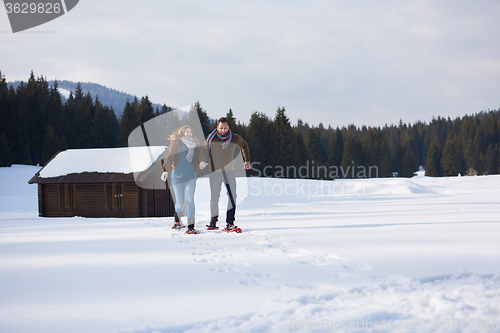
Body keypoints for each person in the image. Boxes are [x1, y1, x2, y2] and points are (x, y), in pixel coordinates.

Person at [200, 117, 251, 231]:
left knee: (232, 196)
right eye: (221, 128)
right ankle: (213, 220)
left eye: (225, 128)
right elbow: (204, 149)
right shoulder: (211, 138)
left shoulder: (234, 138)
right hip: (214, 172)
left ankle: (230, 222)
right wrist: (202, 161)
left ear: (228, 127)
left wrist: (246, 160)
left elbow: (244, 145)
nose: (223, 130)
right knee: (214, 197)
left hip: (229, 171)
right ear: (217, 127)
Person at [163, 125, 201, 234]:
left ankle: (191, 226)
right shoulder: (177, 144)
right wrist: (165, 170)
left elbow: (197, 160)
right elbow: (169, 157)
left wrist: (201, 164)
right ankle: (177, 220)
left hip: (191, 176)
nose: (189, 133)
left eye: (190, 131)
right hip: (177, 176)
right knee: (180, 203)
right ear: (182, 132)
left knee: (190, 200)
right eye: (186, 131)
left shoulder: (195, 145)